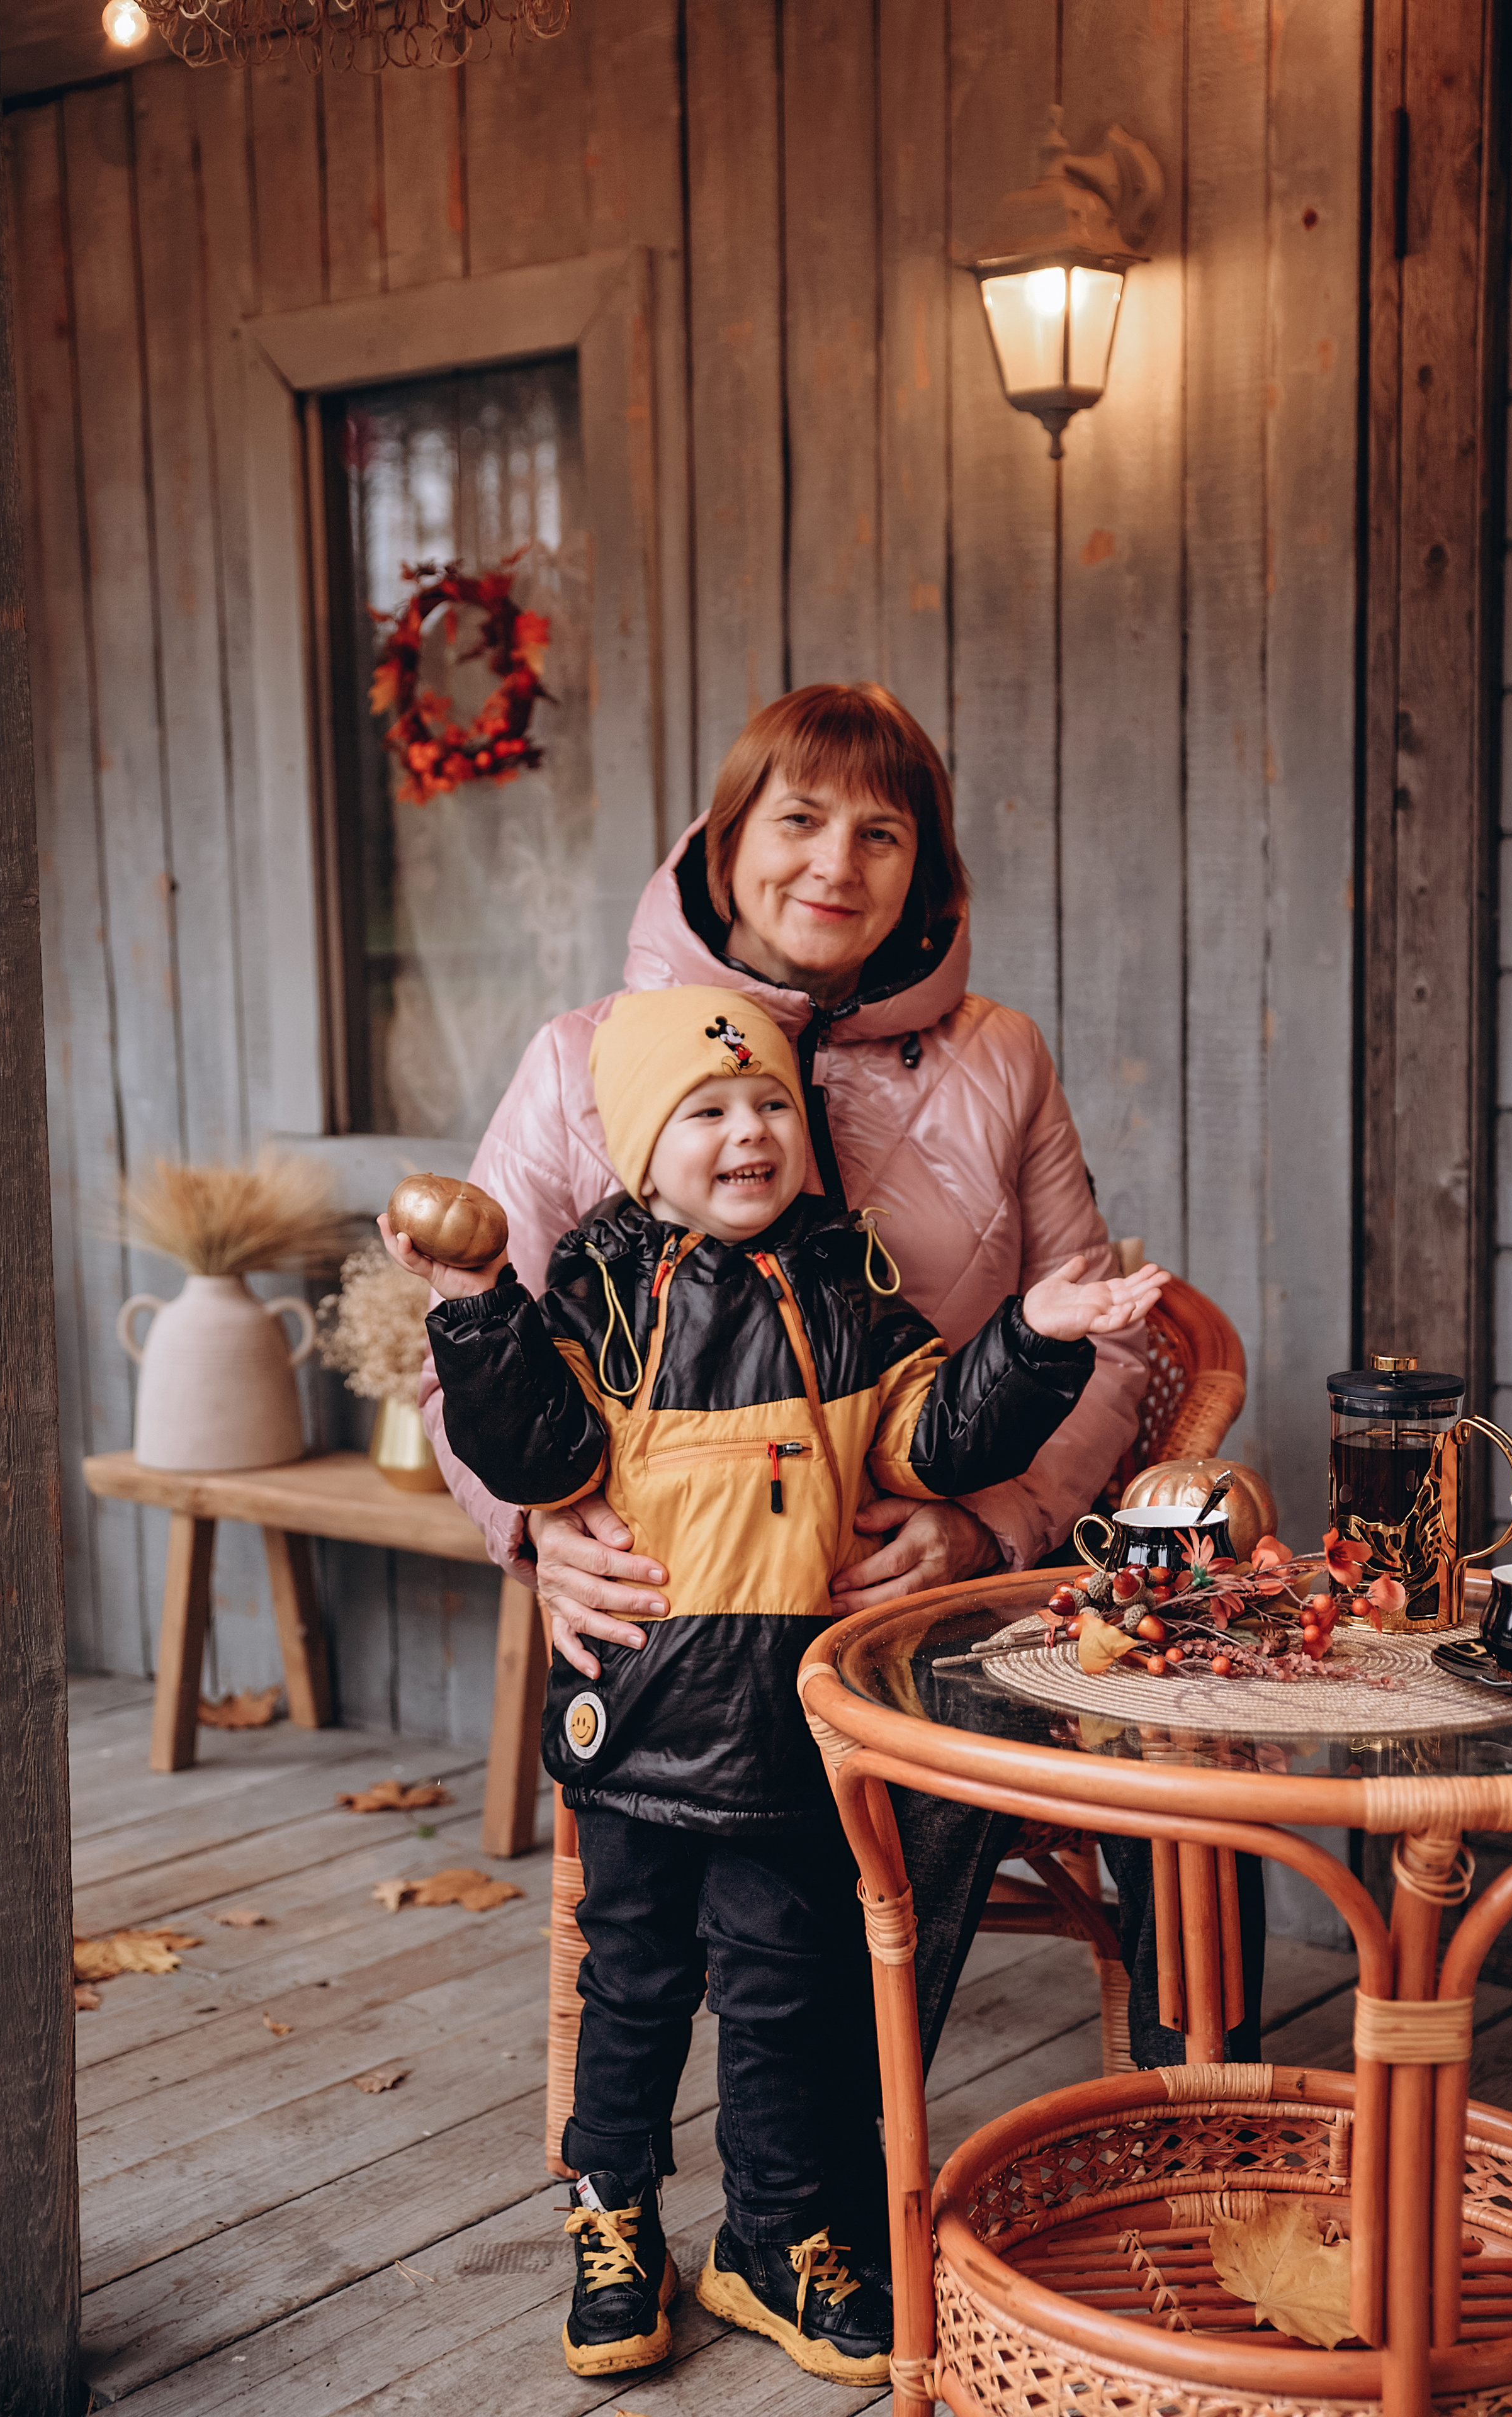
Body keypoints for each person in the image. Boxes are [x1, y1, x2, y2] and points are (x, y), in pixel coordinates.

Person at [385, 984, 1163, 2384]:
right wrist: (473, 1309)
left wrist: (1034, 1336)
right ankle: (611, 2212)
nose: (747, 1131)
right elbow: (540, 1459)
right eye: (705, 1111)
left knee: (779, 1996)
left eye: (767, 1108)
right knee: (627, 1987)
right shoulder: (601, 1290)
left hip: (788, 1731)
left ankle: (773, 2239)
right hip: (638, 1723)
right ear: (636, 1148)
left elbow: (930, 1440)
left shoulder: (846, 1286)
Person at [419, 682, 1153, 2053]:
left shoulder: (998, 1055)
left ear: (922, 873)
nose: (835, 863)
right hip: (688, 1608)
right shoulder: (584, 1059)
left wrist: (981, 1525)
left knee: (1094, 1733)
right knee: (830, 1806)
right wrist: (533, 1526)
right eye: (799, 819)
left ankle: (1158, 2132)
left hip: (931, 1584)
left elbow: (1101, 1332)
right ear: (722, 839)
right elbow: (465, 1347)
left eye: (882, 835)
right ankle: (773, 2191)